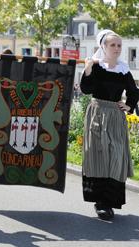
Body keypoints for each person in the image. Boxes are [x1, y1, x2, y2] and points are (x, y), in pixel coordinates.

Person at [80, 29, 139, 221]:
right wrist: (87, 70)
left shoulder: (123, 70)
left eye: (119, 45)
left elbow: (134, 92)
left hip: (115, 116)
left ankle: (110, 200)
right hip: (97, 113)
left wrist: (128, 105)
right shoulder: (96, 66)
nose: (116, 48)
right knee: (100, 156)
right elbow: (86, 89)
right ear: (103, 47)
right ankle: (101, 203)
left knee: (116, 154)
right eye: (112, 45)